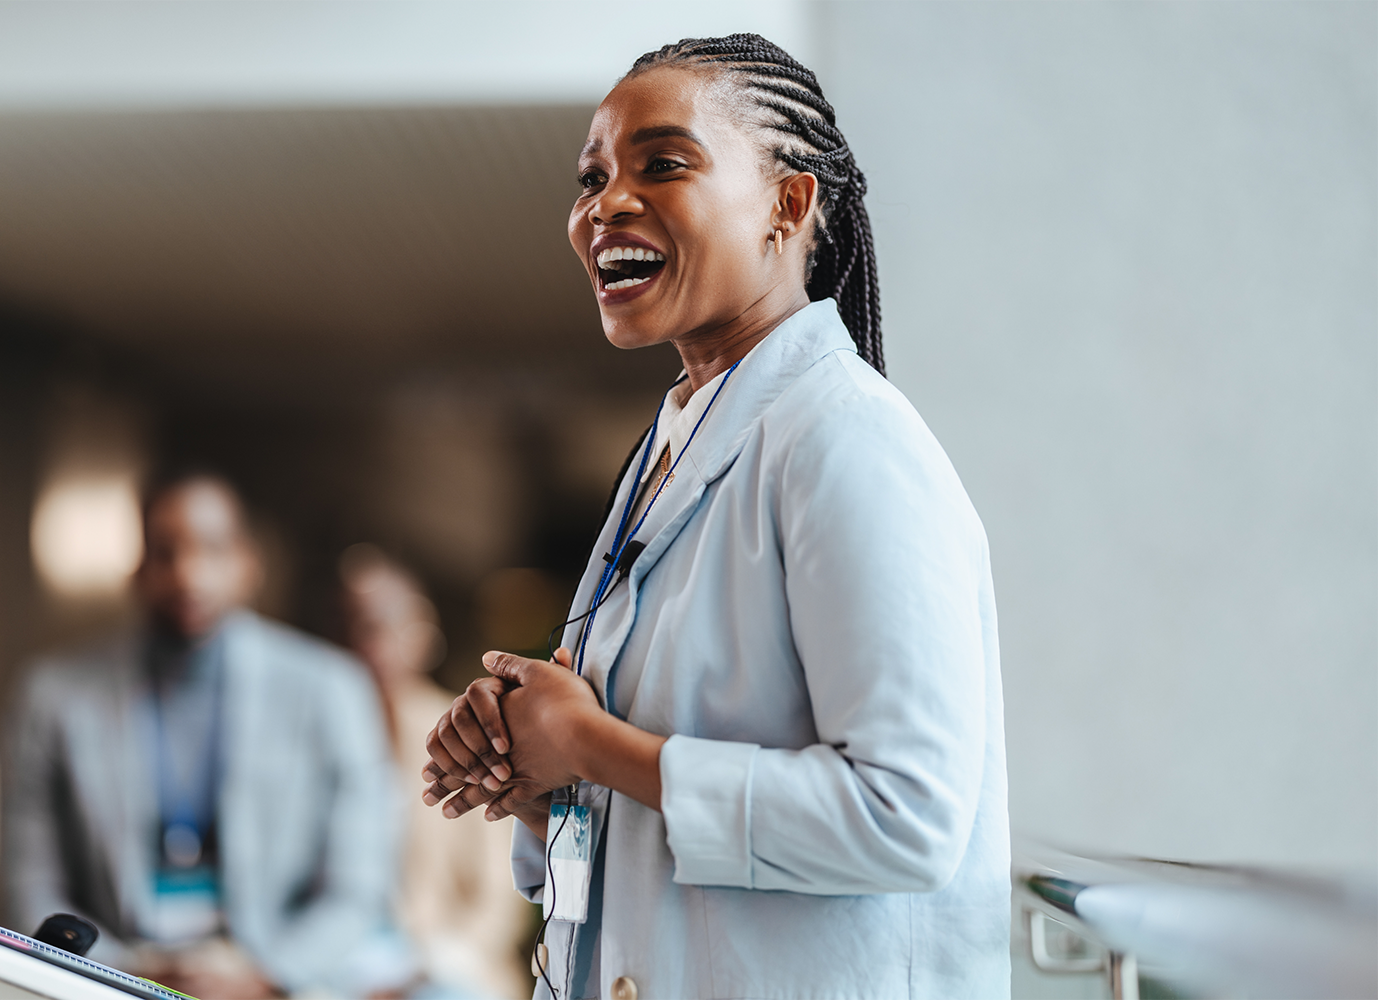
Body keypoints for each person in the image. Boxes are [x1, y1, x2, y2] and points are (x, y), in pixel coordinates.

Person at [420, 34, 1009, 999]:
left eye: (662, 163)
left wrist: (592, 746)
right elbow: (657, 809)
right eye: (592, 177)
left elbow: (907, 817)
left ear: (788, 204)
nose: (606, 203)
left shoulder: (847, 438)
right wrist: (537, 780)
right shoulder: (674, 449)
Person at [3, 471, 400, 1000]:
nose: (189, 575)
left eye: (211, 549)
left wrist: (264, 976)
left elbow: (357, 888)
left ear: (248, 563)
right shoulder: (53, 696)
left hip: (275, 978)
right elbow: (30, 886)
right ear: (139, 569)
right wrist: (123, 974)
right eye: (165, 553)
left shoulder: (330, 691)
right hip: (106, 978)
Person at [340, 546, 529, 1000]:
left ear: (420, 636)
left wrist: (423, 969)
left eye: (376, 629)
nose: (363, 649)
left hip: (445, 967)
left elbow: (500, 900)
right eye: (347, 631)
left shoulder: (464, 737)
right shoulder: (319, 743)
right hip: (345, 963)